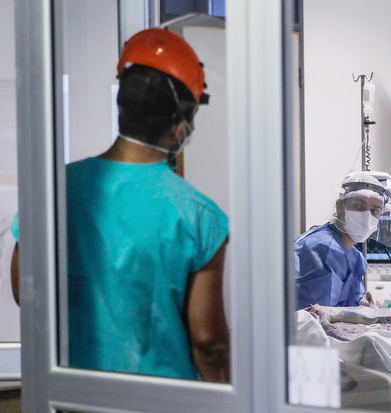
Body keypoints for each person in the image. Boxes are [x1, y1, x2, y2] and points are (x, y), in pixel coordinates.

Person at [10, 28, 230, 382]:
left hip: (71, 392)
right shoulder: (199, 216)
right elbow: (209, 340)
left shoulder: (51, 191)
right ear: (181, 122)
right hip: (165, 400)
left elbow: (25, 291)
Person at [295, 172, 391, 309]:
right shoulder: (324, 250)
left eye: (374, 211)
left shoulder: (355, 257)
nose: (366, 217)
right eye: (359, 206)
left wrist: (363, 302)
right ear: (340, 208)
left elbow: (343, 306)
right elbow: (317, 316)